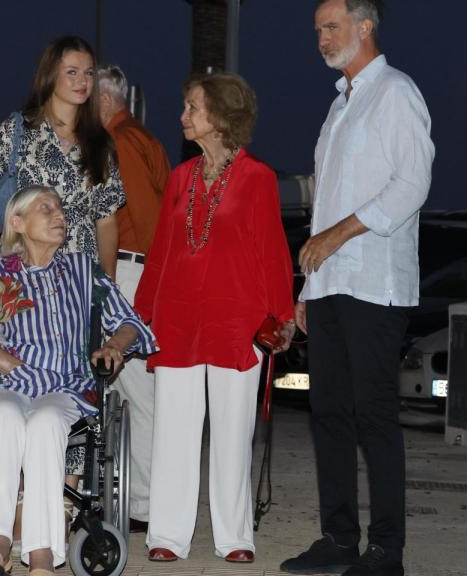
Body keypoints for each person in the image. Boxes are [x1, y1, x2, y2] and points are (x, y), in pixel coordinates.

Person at [281, 2, 433, 575]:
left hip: (375, 282)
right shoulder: (338, 106)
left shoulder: (396, 91)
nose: (321, 38)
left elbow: (411, 185)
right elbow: (327, 203)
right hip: (329, 287)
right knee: (329, 415)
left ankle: (386, 550)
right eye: (318, 29)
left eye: (331, 27)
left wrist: (340, 236)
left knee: (373, 415)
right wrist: (307, 287)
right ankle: (339, 540)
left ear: (365, 27)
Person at [133, 72, 295, 564]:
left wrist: (282, 316)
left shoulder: (258, 178)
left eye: (192, 107)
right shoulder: (181, 179)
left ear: (221, 117)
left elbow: (272, 252)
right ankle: (167, 534)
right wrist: (138, 318)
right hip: (178, 321)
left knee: (232, 431)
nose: (183, 116)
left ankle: (235, 537)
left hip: (236, 321)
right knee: (173, 432)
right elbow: (159, 254)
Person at [0, 187, 156, 576]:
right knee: (5, 415)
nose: (58, 215)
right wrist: (19, 370)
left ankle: (42, 554)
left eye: (60, 209)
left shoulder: (84, 269)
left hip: (65, 386)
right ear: (17, 223)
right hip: (7, 381)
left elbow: (130, 322)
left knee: (47, 422)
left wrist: (114, 346)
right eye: (45, 209)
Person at [0, 35, 124, 277]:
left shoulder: (99, 142)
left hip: (79, 277)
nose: (83, 81)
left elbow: (106, 220)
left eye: (89, 73)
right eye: (72, 72)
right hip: (22, 271)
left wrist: (107, 279)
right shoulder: (17, 129)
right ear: (50, 75)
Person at [96, 64, 171, 533]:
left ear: (104, 100)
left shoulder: (120, 143)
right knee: (132, 392)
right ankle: (138, 498)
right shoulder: (144, 138)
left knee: (137, 394)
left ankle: (143, 505)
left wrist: (143, 295)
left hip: (128, 272)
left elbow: (145, 220)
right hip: (134, 271)